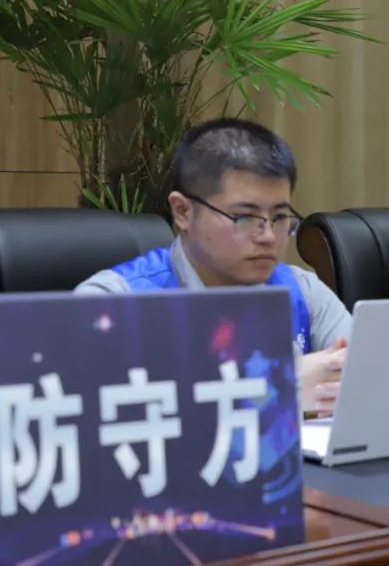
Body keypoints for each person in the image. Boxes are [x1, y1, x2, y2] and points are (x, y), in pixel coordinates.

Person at [75, 118, 348, 415]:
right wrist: (278, 385)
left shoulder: (302, 292)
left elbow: (366, 375)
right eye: (244, 218)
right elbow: (89, 410)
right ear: (183, 212)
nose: (268, 236)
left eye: (280, 217)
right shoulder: (114, 301)